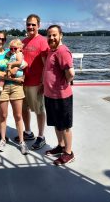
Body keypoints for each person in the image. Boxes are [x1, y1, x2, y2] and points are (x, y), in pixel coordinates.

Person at [0, 36, 29, 155]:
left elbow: (24, 63)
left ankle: (22, 141)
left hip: (16, 88)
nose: (0, 41)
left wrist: (17, 68)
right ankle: (2, 139)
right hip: (4, 87)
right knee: (3, 115)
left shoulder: (11, 52)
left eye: (2, 39)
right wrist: (17, 78)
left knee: (18, 115)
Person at [43, 25, 75, 165]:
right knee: (57, 124)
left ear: (61, 35)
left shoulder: (62, 51)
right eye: (49, 35)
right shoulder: (52, 50)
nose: (51, 38)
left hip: (62, 96)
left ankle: (68, 153)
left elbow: (71, 74)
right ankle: (61, 146)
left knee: (65, 125)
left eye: (54, 35)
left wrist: (63, 84)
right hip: (50, 95)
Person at [16, 14, 49, 151]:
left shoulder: (42, 41)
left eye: (33, 24)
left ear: (38, 26)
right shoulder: (23, 42)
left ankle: (41, 136)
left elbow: (46, 64)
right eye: (28, 24)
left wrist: (43, 82)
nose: (30, 27)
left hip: (36, 83)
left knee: (39, 110)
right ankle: (28, 132)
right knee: (24, 109)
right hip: (23, 82)